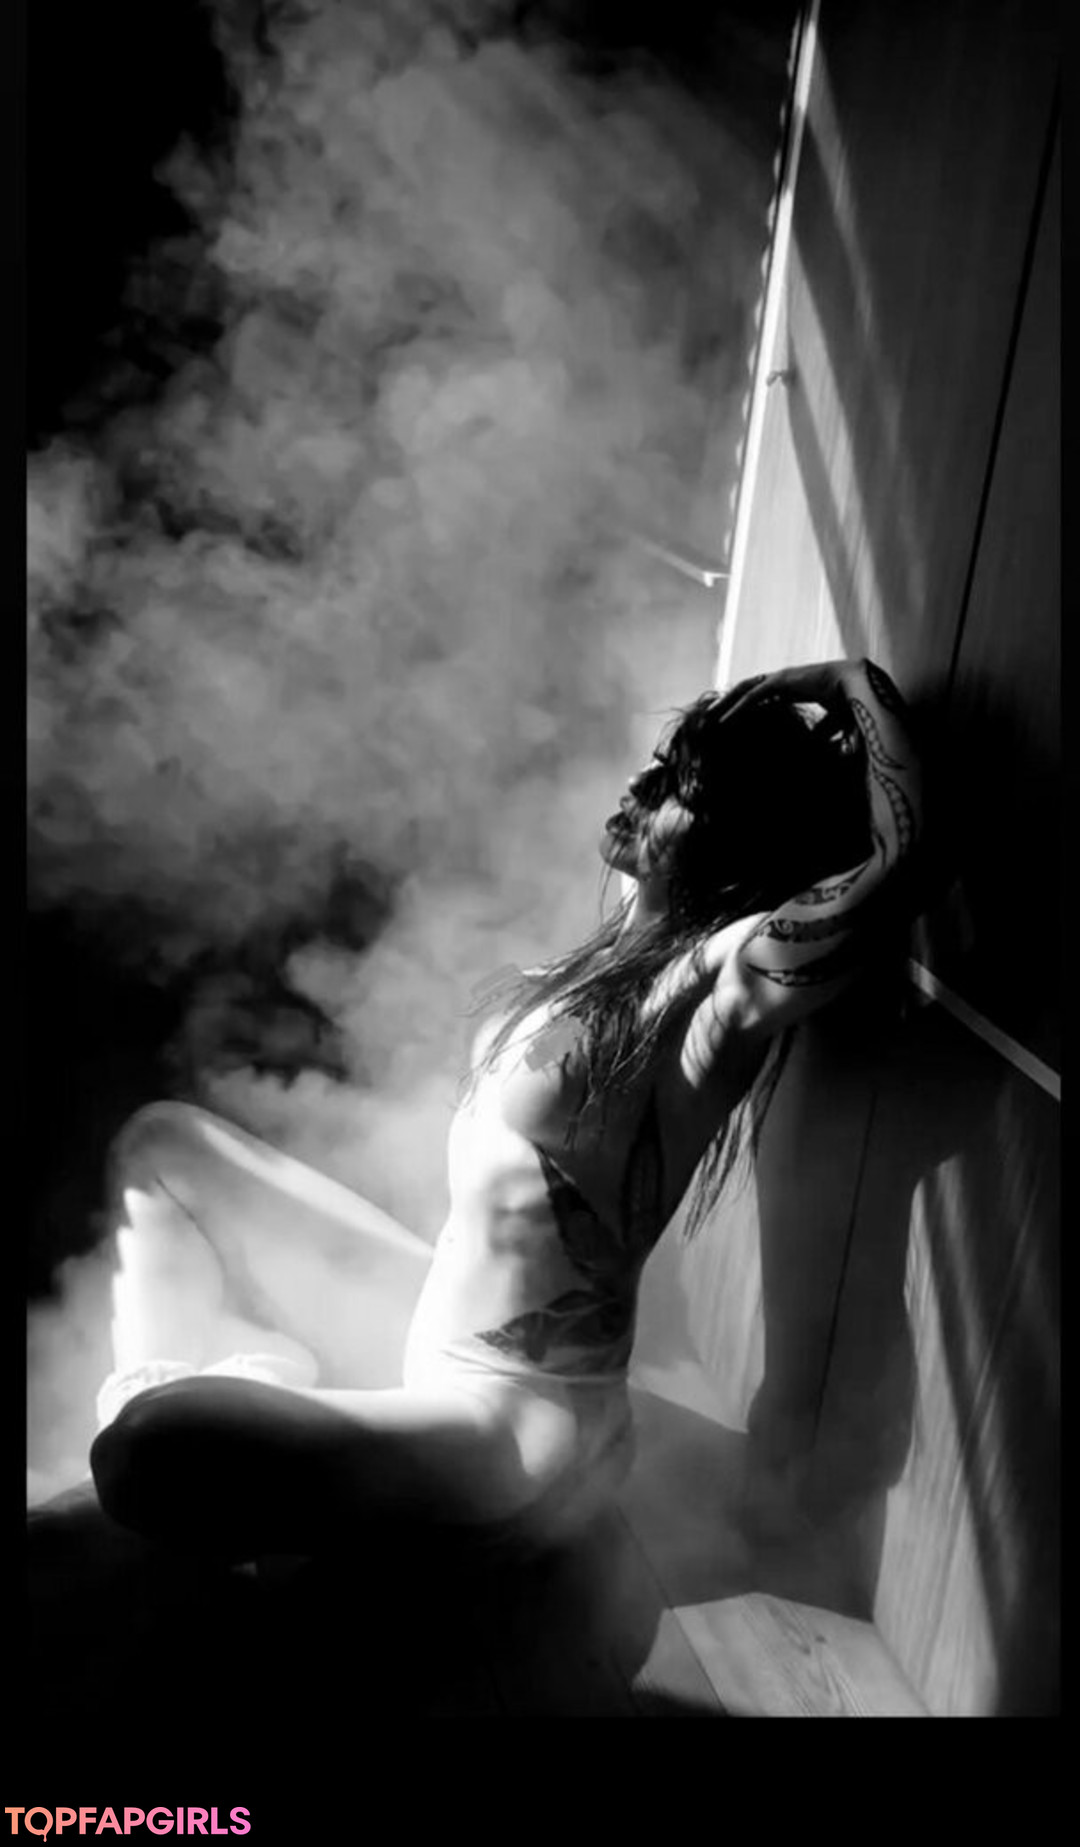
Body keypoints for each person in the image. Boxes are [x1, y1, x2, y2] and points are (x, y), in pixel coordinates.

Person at [88, 656, 921, 1566]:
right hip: (438, 1338)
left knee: (143, 1448)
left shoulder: (715, 988)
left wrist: (848, 680)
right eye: (656, 763)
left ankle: (218, 1411)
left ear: (726, 840)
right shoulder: (610, 962)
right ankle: (222, 1400)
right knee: (165, 1145)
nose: (640, 784)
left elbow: (892, 867)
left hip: (516, 1424)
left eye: (674, 783)